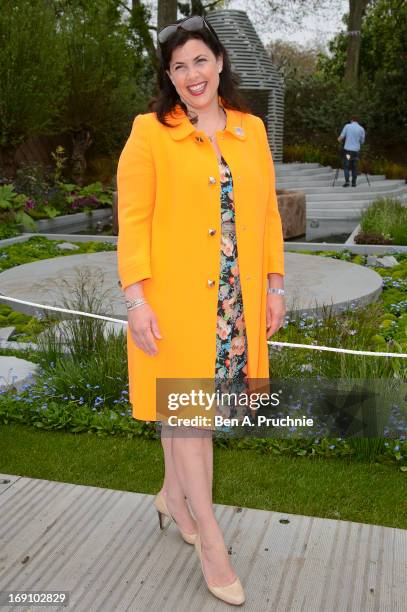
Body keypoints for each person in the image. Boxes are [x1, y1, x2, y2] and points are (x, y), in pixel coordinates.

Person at [116, 15, 285, 606]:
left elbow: (265, 215)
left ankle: (170, 495)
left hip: (234, 303)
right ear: (169, 74)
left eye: (201, 61)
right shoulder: (149, 132)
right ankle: (211, 542)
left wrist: (275, 286)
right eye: (179, 65)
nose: (193, 74)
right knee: (192, 420)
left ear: (219, 63)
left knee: (186, 413)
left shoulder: (252, 130)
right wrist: (135, 300)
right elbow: (132, 222)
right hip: (174, 305)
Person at [337, 116, 365, 187]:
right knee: (354, 167)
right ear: (357, 121)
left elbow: (341, 137)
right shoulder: (361, 129)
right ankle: (354, 183)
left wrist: (339, 140)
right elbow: (362, 141)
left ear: (351, 120)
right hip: (356, 152)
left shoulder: (347, 126)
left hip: (348, 152)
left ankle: (347, 182)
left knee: (346, 166)